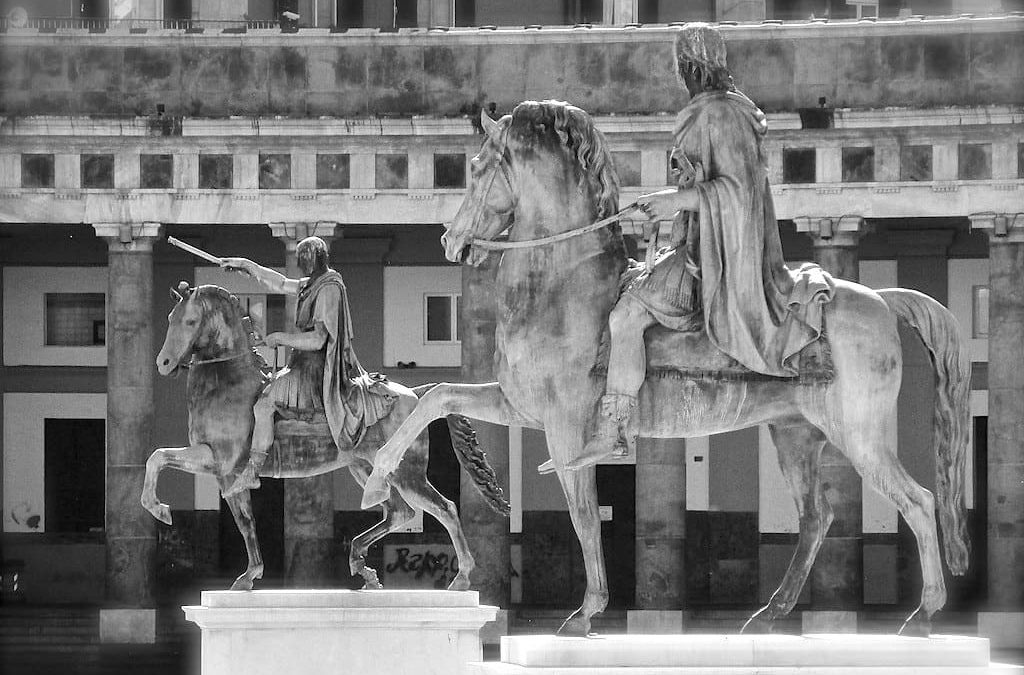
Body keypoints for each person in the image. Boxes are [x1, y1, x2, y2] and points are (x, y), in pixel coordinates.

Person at [573, 23, 833, 468]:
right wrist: (675, 203)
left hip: (711, 258)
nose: (681, 76)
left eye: (682, 67)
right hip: (697, 244)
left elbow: (738, 193)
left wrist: (675, 198)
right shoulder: (715, 112)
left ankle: (614, 429)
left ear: (692, 66)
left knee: (625, 317)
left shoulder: (719, 115)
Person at [220, 236, 395, 496]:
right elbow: (279, 282)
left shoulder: (328, 289)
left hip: (317, 369)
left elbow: (319, 339)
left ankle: (252, 472)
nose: (300, 265)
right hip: (302, 364)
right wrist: (247, 265)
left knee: (264, 404)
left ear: (314, 259)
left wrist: (280, 337)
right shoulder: (311, 285)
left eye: (303, 259)